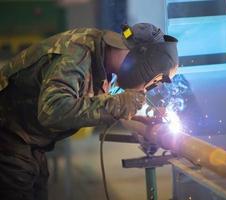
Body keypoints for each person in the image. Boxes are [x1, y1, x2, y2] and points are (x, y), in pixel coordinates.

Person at [0, 23, 178, 200]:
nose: (146, 89)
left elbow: (107, 94)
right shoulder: (77, 54)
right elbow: (53, 110)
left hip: (27, 141)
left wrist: (142, 114)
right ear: (142, 62)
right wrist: (118, 105)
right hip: (7, 138)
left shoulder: (102, 56)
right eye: (151, 81)